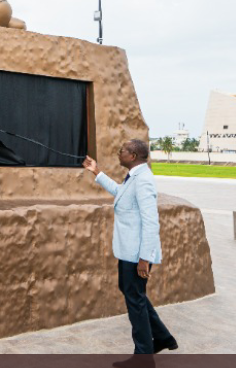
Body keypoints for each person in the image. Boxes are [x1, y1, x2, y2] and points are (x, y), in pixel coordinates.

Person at [83, 141, 179, 365]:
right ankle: (163, 337)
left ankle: (143, 357)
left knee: (134, 299)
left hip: (137, 254)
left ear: (133, 155)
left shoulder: (143, 180)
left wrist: (144, 258)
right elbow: (120, 193)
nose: (119, 153)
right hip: (130, 252)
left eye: (122, 151)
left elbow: (151, 221)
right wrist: (96, 171)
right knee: (133, 294)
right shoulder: (135, 176)